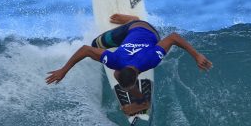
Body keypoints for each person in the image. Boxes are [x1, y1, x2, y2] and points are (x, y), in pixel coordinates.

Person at [46, 14, 212, 115]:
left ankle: (142, 102)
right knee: (95, 44)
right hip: (131, 30)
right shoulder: (116, 61)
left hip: (148, 30)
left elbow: (173, 37)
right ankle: (133, 18)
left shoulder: (150, 60)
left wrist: (197, 55)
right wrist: (64, 70)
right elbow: (85, 49)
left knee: (99, 45)